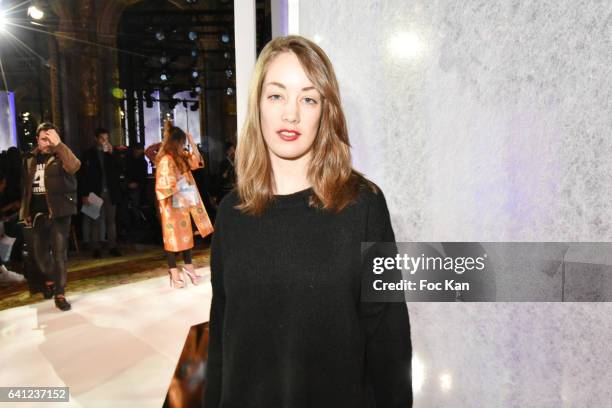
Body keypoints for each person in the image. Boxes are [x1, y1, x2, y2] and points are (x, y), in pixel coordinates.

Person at [204, 36, 413, 407]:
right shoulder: (232, 213)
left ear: (325, 110)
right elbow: (223, 334)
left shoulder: (363, 206)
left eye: (308, 98)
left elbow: (389, 342)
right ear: (258, 105)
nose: (291, 114)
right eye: (277, 96)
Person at [19, 123, 80, 311]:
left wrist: (59, 145)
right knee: (39, 254)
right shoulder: (29, 158)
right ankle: (53, 280)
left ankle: (60, 293)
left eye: (50, 138)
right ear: (37, 139)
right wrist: (25, 212)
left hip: (59, 212)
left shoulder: (60, 154)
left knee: (60, 254)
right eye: (44, 138)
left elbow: (74, 166)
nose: (47, 142)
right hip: (37, 213)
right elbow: (26, 189)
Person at [155, 122, 214, 288]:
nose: (184, 146)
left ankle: (188, 266)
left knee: (187, 235)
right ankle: (173, 270)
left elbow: (198, 162)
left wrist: (193, 142)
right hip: (171, 202)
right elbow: (165, 183)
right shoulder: (166, 160)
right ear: (175, 142)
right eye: (182, 142)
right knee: (172, 237)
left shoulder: (182, 157)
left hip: (183, 200)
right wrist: (180, 196)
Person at [80, 128, 121, 258]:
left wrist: (112, 153)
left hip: (110, 191)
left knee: (111, 221)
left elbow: (119, 169)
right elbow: (83, 175)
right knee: (95, 220)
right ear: (96, 139)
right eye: (102, 138)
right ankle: (96, 248)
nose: (105, 141)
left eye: (106, 138)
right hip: (94, 191)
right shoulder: (88, 154)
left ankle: (112, 246)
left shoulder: (111, 152)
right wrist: (84, 194)